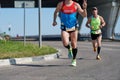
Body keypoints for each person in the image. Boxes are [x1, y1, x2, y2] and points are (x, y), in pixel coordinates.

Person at [52, 0, 87, 66]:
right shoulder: (61, 4)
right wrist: (54, 21)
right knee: (65, 43)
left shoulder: (76, 5)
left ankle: (74, 60)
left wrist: (84, 8)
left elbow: (84, 15)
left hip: (74, 27)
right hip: (64, 26)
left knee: (74, 43)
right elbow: (56, 12)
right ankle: (69, 48)